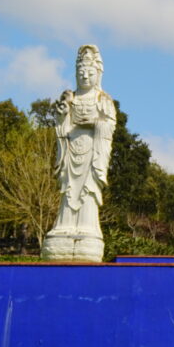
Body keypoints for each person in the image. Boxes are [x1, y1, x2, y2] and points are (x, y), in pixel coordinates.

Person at [41, 45, 116, 261]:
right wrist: (63, 116)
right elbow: (61, 127)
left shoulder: (104, 100)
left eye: (89, 73)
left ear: (98, 74)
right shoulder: (70, 97)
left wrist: (95, 123)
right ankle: (63, 228)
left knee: (88, 191)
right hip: (71, 149)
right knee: (68, 188)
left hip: (93, 152)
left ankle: (87, 230)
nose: (85, 76)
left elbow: (109, 126)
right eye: (81, 72)